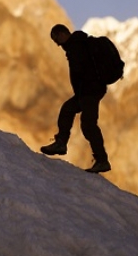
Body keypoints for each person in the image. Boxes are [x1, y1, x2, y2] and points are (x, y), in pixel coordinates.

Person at [40, 24, 111, 173]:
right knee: (67, 109)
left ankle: (102, 160)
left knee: (88, 124)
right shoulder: (76, 45)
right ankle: (61, 143)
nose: (57, 44)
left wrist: (86, 86)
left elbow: (82, 70)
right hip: (85, 92)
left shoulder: (77, 46)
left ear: (63, 33)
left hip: (89, 91)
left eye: (56, 38)